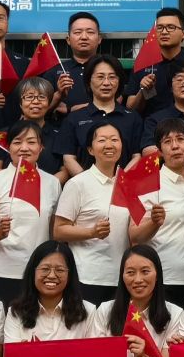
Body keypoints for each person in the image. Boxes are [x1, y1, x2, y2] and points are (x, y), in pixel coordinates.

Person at [0, 119, 60, 297]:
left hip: (39, 272)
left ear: (41, 147)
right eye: (17, 142)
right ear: (8, 147)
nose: (24, 148)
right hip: (1, 271)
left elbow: (53, 231)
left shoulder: (52, 182)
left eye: (31, 142)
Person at [52, 121, 133, 302]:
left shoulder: (128, 184)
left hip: (122, 278)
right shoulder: (78, 184)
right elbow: (58, 230)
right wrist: (92, 232)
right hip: (86, 276)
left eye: (114, 140)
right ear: (90, 149)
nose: (109, 145)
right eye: (102, 140)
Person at [132, 118, 184, 307]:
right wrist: (153, 222)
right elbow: (134, 235)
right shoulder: (147, 184)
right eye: (167, 141)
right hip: (161, 279)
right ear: (159, 151)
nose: (175, 146)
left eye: (180, 139)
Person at [4, 241, 105, 343]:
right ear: (33, 272)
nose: (52, 275)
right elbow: (11, 353)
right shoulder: (16, 312)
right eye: (45, 269)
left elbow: (93, 352)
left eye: (59, 270)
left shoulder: (87, 311)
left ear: (70, 275)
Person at [60, 57, 143, 178]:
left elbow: (137, 156)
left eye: (112, 77)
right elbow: (68, 158)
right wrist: (89, 183)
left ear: (119, 81)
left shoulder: (132, 117)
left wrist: (120, 182)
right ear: (89, 81)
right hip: (86, 186)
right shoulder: (74, 118)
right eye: (100, 77)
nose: (106, 83)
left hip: (123, 185)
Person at [0, 76, 70, 176]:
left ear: (49, 103)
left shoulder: (59, 135)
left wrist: (47, 183)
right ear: (20, 104)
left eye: (42, 97)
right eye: (29, 97)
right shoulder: (3, 135)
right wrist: (27, 180)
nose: (36, 102)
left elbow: (64, 170)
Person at [125, 6, 184, 119]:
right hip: (151, 126)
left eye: (171, 27)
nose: (164, 32)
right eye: (160, 28)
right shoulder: (144, 64)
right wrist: (143, 91)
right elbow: (130, 109)